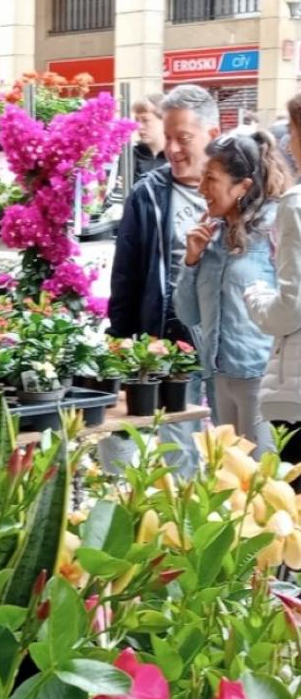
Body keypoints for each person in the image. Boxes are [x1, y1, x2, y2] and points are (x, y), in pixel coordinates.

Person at [109, 83, 221, 477]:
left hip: (233, 339)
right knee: (178, 443)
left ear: (212, 134)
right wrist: (121, 342)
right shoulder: (148, 195)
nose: (172, 149)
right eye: (168, 137)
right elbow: (125, 278)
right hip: (173, 337)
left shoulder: (244, 191)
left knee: (236, 443)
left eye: (183, 138)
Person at [173, 131, 290, 456]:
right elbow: (188, 315)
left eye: (211, 179)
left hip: (262, 380)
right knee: (230, 482)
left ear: (243, 186)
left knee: (263, 486)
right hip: (218, 375)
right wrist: (191, 260)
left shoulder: (276, 231)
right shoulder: (210, 234)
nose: (201, 189)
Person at [245, 92, 301, 468]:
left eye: (292, 130)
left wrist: (256, 296)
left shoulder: (295, 205)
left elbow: (290, 310)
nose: (286, 143)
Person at [131, 94, 167, 186]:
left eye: (145, 120)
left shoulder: (177, 156)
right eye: (136, 120)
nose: (139, 126)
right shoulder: (131, 154)